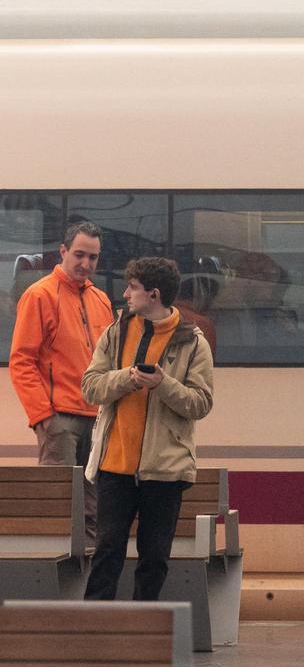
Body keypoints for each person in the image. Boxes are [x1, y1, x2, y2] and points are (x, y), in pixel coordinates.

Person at [82, 257, 214, 601]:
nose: (125, 293)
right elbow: (90, 386)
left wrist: (162, 384)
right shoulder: (117, 331)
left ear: (153, 294)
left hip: (165, 470)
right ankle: (93, 632)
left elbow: (201, 403)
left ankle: (145, 633)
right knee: (106, 552)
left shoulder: (193, 341)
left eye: (133, 288)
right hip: (115, 464)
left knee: (154, 558)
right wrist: (126, 378)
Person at [9, 221, 114, 543]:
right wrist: (44, 417)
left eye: (93, 258)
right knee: (62, 508)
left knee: (95, 507)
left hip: (96, 418)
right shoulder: (39, 295)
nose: (86, 264)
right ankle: (58, 585)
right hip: (60, 419)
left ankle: (91, 582)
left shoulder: (101, 300)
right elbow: (21, 361)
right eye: (80, 255)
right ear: (64, 252)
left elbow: (109, 361)